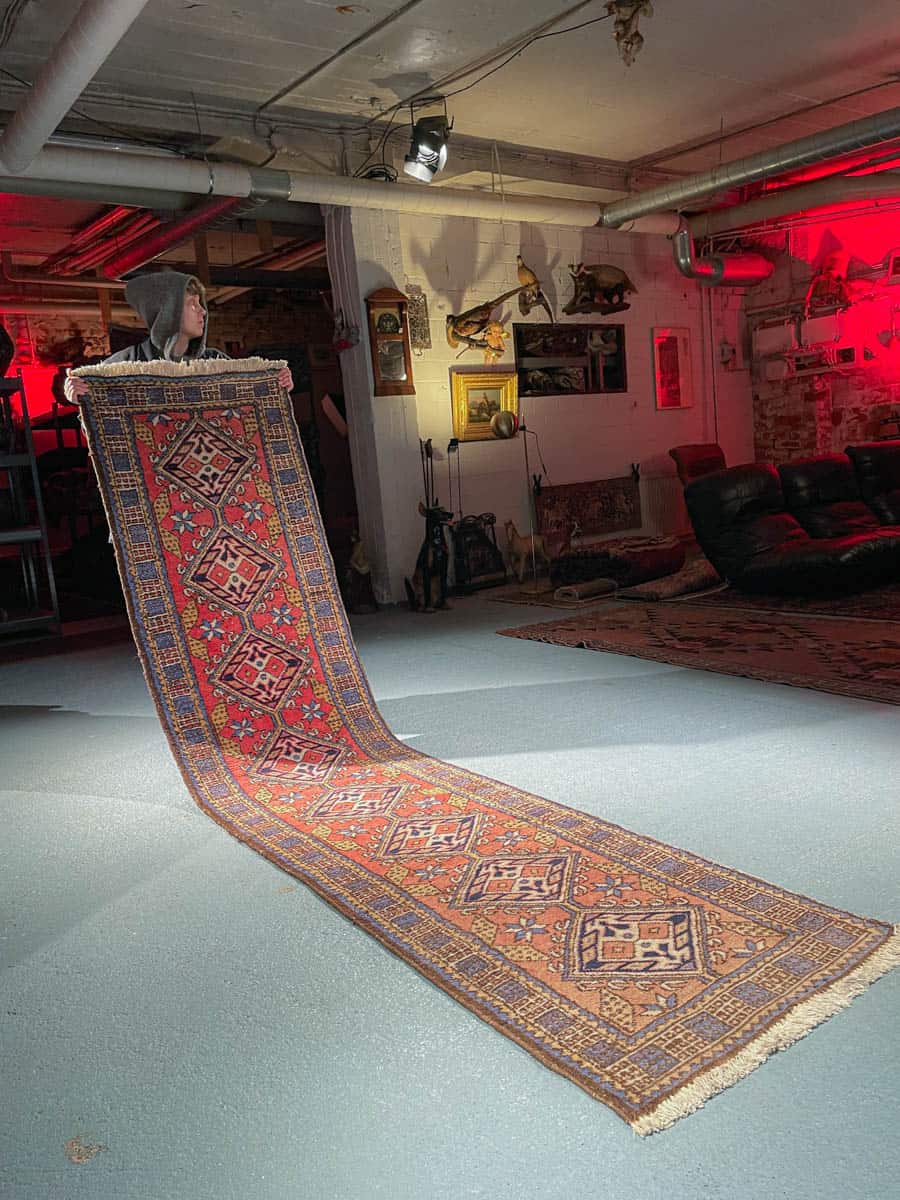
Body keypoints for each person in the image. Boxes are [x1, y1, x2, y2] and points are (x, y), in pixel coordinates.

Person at [64, 271, 292, 402]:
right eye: (192, 304)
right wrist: (75, 393)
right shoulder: (126, 365)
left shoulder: (215, 363)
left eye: (200, 303)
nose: (203, 311)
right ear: (168, 313)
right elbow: (98, 416)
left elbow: (250, 404)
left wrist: (278, 383)